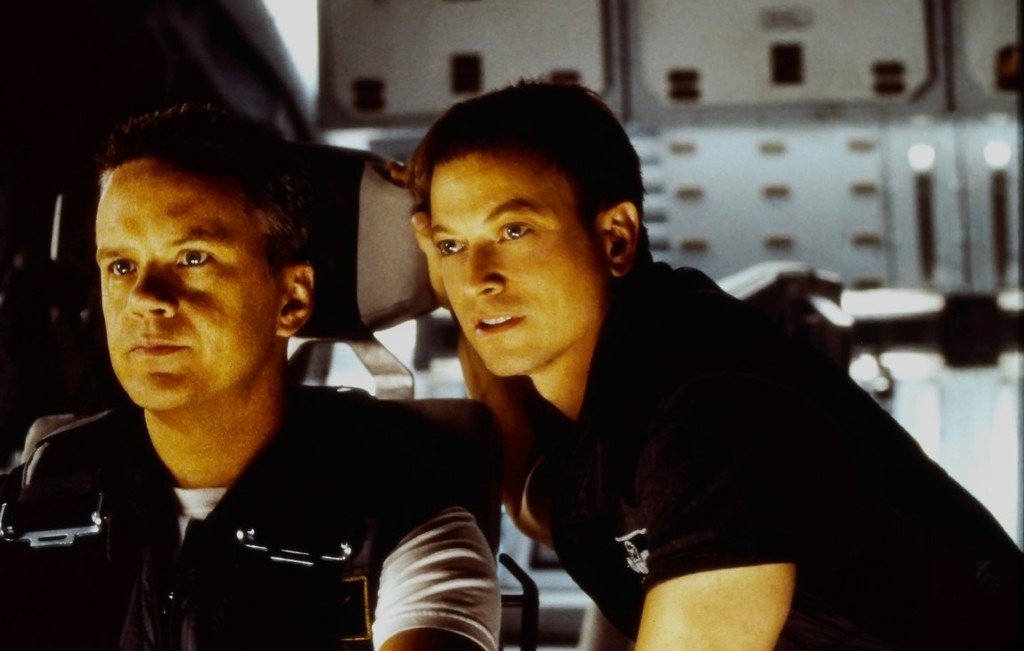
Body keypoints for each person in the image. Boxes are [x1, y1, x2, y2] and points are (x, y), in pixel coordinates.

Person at [405, 80, 1023, 650]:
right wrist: (443, 278)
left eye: (514, 231)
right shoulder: (614, 399)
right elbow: (539, 500)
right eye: (453, 245)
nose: (477, 278)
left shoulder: (706, 406)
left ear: (616, 238)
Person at [0, 103, 501, 651]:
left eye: (193, 258)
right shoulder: (35, 496)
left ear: (291, 299)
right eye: (121, 266)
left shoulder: (404, 518)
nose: (144, 298)